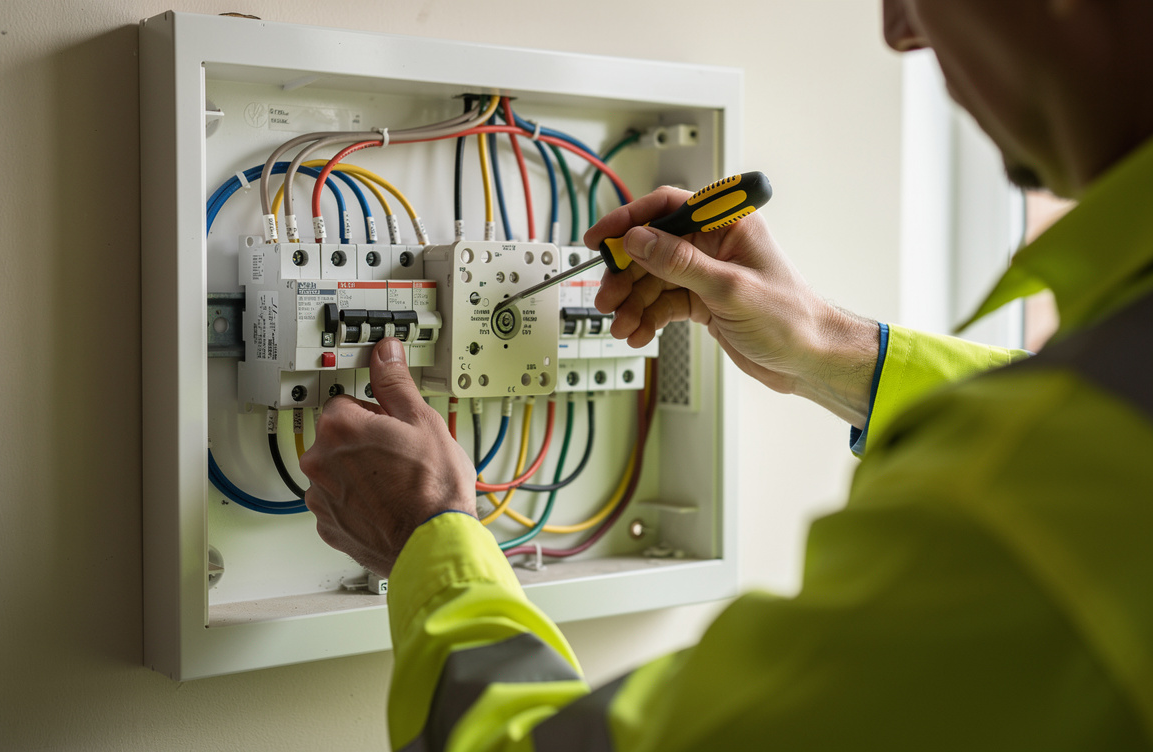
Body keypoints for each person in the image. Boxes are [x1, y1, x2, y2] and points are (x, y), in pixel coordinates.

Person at [298, 0, 1153, 747]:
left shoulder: (1011, 509)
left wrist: (429, 539)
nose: (898, 29)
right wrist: (827, 345)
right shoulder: (1080, 441)